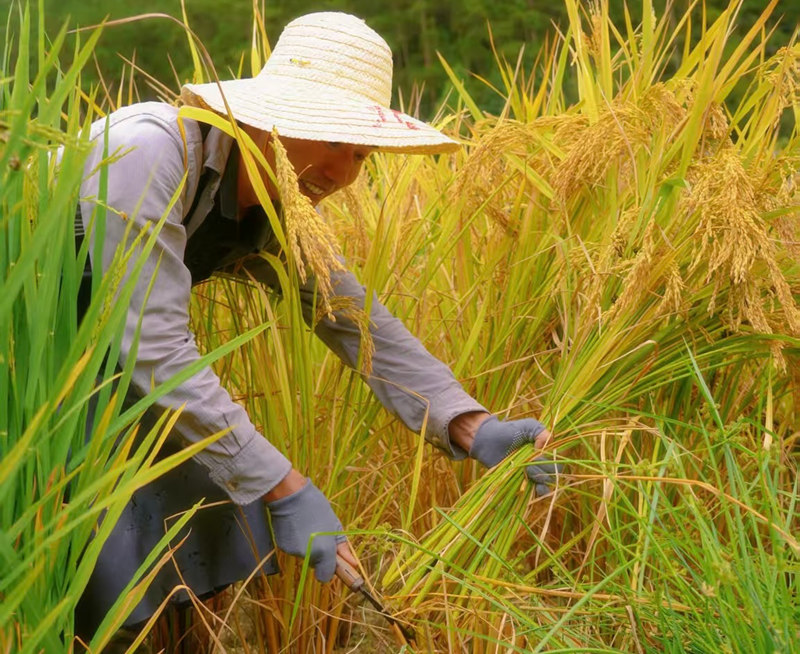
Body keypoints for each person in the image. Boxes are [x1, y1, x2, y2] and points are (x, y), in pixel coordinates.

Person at [73, 11, 559, 647]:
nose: (344, 174)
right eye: (330, 139)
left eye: (359, 152)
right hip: (30, 371)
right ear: (269, 118)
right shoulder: (146, 153)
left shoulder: (268, 201)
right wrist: (286, 486)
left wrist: (466, 423)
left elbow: (350, 315)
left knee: (175, 517)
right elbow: (157, 350)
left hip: (88, 378)